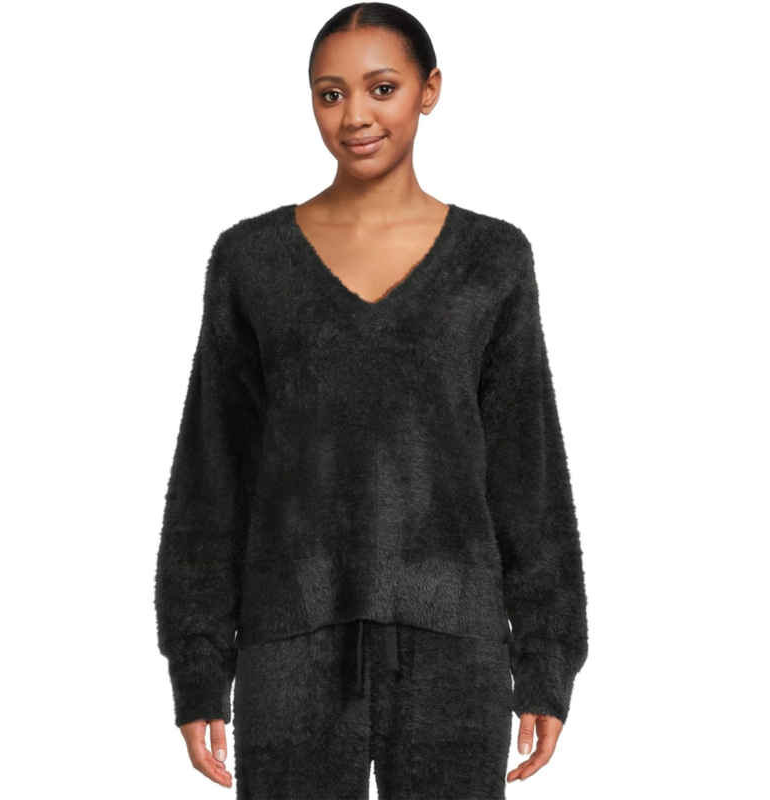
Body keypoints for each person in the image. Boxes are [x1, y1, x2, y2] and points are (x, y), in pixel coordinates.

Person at [154, 3, 589, 797]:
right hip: (289, 643)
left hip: (456, 648)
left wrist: (547, 659)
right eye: (331, 94)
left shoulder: (493, 259)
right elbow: (212, 477)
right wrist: (198, 666)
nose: (354, 115)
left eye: (381, 88)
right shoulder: (251, 259)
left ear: (430, 90)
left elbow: (527, 474)